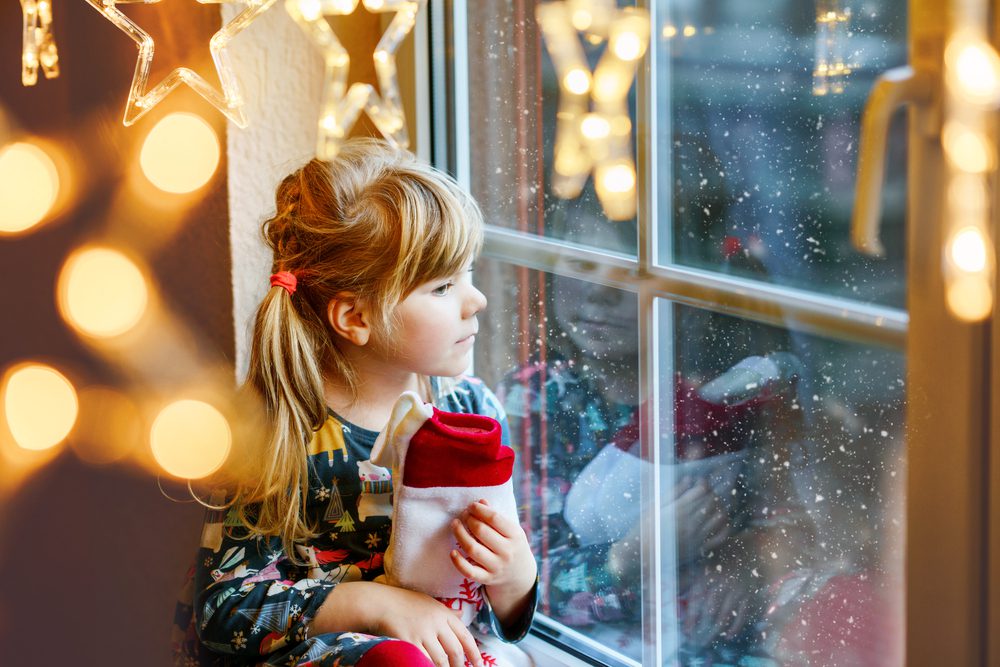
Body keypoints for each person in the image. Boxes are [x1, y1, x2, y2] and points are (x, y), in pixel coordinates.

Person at [171, 139, 538, 667]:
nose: (475, 299)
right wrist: (374, 604)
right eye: (442, 287)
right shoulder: (279, 432)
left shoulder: (472, 415)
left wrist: (514, 574)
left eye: (469, 274)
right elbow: (223, 613)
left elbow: (499, 615)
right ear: (357, 319)